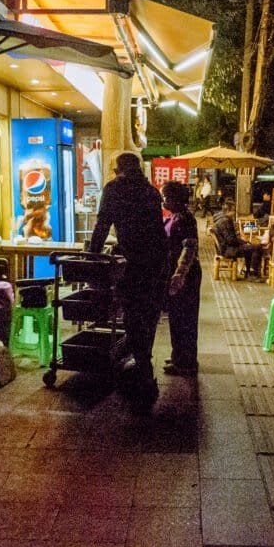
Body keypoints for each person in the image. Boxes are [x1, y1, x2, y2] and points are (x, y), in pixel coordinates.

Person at [89, 152, 168, 395]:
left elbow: (103, 224)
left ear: (119, 170)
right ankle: (142, 367)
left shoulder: (114, 189)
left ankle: (141, 372)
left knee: (133, 317)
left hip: (137, 265)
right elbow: (151, 230)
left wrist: (93, 256)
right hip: (158, 263)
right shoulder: (151, 191)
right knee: (148, 316)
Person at [161, 181, 202, 377]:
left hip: (187, 275)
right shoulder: (175, 217)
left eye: (167, 197)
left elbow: (189, 247)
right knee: (177, 318)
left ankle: (186, 363)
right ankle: (179, 356)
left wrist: (180, 273)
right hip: (178, 273)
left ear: (177, 199)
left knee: (184, 319)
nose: (164, 201)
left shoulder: (184, 219)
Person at [212, 200, 264, 280]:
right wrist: (244, 242)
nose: (234, 213)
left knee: (251, 247)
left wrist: (244, 242)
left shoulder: (220, 219)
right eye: (233, 211)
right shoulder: (225, 221)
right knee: (257, 248)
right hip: (228, 250)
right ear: (228, 211)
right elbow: (231, 240)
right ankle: (252, 273)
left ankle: (248, 271)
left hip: (225, 248)